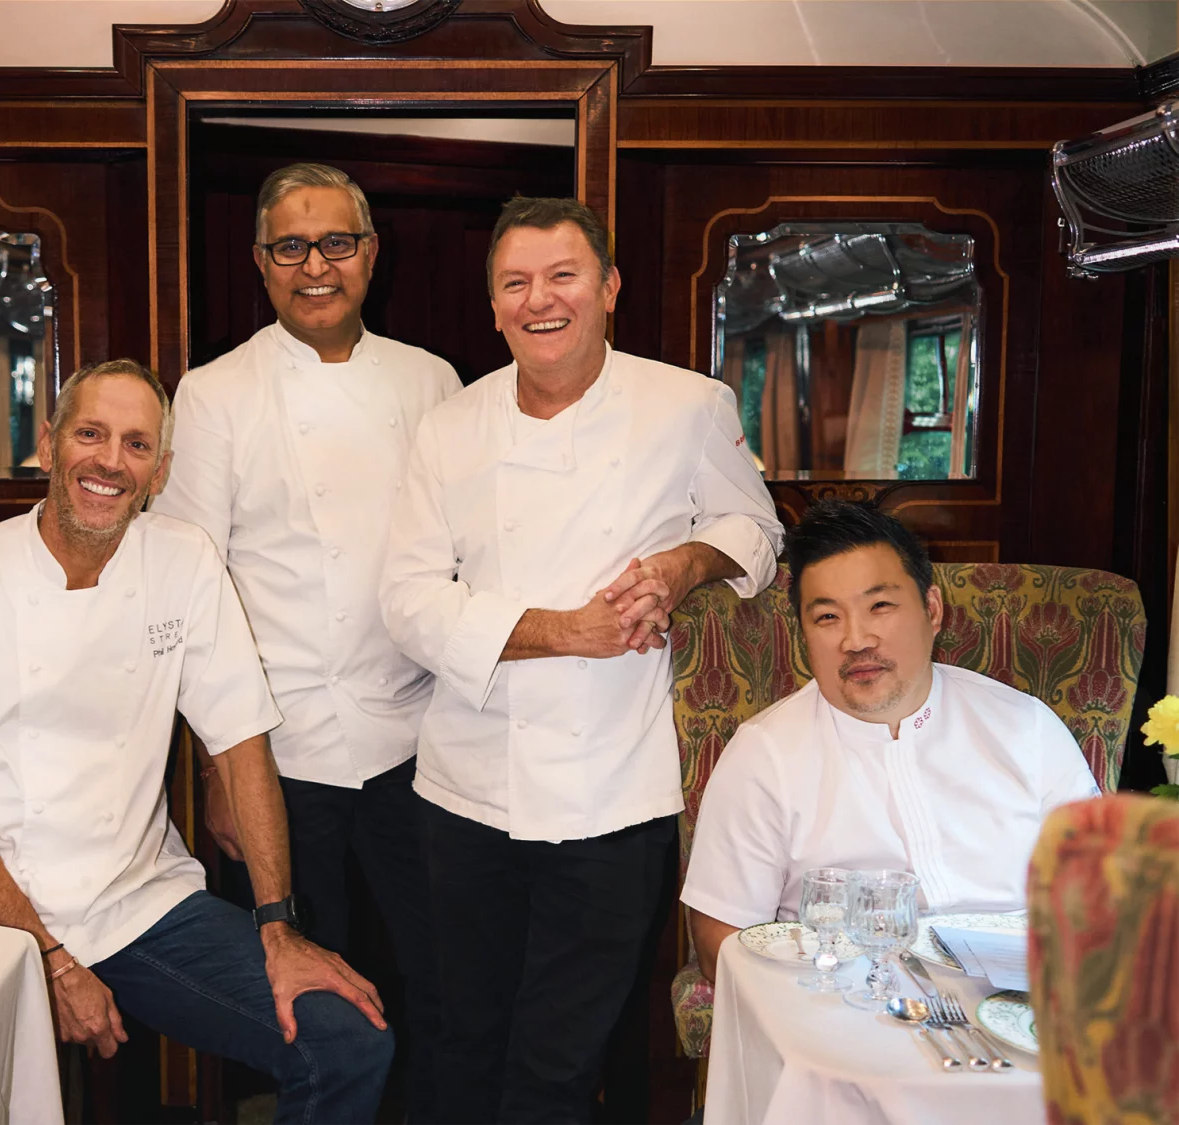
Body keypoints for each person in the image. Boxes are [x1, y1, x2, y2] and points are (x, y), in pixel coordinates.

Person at [0, 358, 393, 1125]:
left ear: (160, 471)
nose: (111, 460)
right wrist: (49, 957)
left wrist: (279, 924)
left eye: (137, 445)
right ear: (48, 445)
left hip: (136, 903)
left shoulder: (184, 561)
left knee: (346, 1040)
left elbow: (243, 749)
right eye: (90, 434)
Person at [379, 196, 783, 1125]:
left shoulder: (687, 404)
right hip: (465, 789)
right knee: (462, 1038)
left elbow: (753, 529)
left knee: (560, 1062)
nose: (540, 300)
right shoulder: (451, 427)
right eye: (515, 283)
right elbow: (406, 602)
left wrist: (687, 564)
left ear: (607, 288)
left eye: (562, 276)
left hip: (614, 792)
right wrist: (564, 630)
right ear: (493, 306)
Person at [152, 162, 458, 1123]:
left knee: (432, 974)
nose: (314, 265)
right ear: (260, 261)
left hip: (418, 738)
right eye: (291, 246)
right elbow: (192, 585)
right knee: (309, 999)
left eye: (336, 242)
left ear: (371, 254)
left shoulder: (431, 379)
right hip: (278, 749)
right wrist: (215, 769)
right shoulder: (213, 393)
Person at [681, 499, 1103, 983]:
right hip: (847, 1013)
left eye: (880, 606)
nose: (856, 640)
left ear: (932, 609)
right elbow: (722, 943)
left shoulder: (1025, 727)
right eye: (827, 618)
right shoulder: (764, 756)